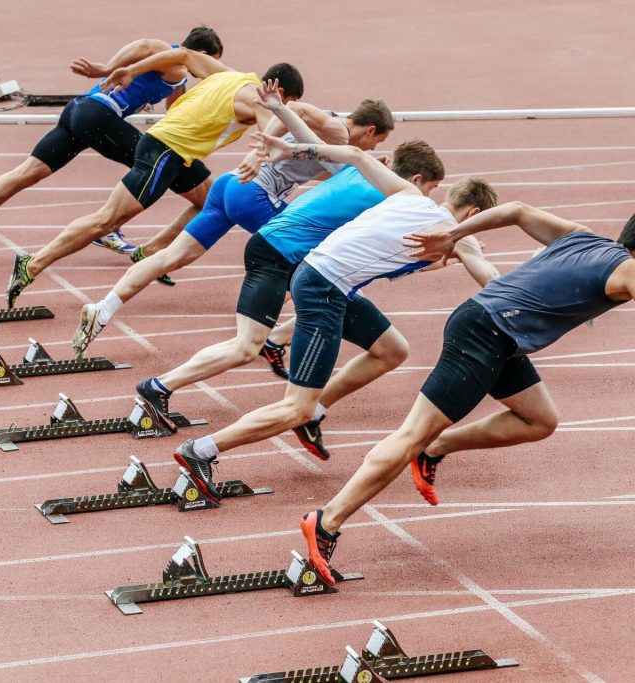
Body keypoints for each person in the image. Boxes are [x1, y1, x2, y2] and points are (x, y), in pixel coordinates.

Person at [294, 200, 635, 584]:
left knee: (539, 419)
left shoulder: (582, 237)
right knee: (408, 433)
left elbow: (515, 210)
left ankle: (435, 448)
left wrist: (454, 233)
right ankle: (327, 521)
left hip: (491, 330)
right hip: (485, 335)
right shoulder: (632, 270)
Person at [170, 133, 500, 505]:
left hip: (322, 275)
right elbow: (491, 280)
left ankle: (317, 409)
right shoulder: (460, 235)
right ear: (474, 215)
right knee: (295, 406)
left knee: (392, 350)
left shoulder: (407, 195)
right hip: (325, 288)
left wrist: (291, 150)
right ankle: (202, 450)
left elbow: (355, 154)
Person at [70, 81, 395, 359]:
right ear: (369, 129)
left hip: (229, 187)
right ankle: (268, 335)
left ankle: (104, 308)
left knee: (173, 257)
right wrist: (258, 151)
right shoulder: (338, 130)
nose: (374, 147)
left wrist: (369, 166)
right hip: (254, 193)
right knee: (311, 264)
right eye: (377, 141)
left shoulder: (339, 147)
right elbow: (302, 111)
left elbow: (323, 166)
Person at [2, 48, 305, 308]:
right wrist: (264, 155)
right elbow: (271, 132)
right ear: (279, 92)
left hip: (173, 151)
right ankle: (34, 263)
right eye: (288, 103)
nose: (286, 110)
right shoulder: (260, 99)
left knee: (211, 200)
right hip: (165, 152)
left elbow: (183, 55)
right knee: (105, 220)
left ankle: (149, 253)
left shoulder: (230, 74)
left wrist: (130, 70)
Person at [0, 27, 223, 266]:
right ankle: (108, 227)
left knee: (29, 171)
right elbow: (144, 45)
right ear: (203, 55)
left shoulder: (179, 78)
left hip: (79, 111)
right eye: (213, 64)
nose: (210, 73)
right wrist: (106, 68)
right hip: (98, 116)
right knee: (151, 165)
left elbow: (174, 110)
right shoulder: (173, 59)